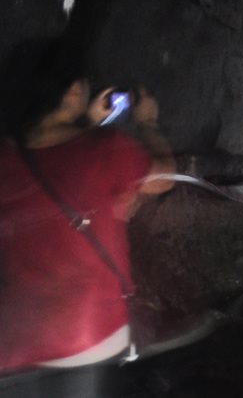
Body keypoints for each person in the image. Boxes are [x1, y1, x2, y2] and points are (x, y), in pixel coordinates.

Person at [0, 40, 175, 396]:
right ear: (75, 90)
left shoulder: (6, 156)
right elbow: (164, 178)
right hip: (87, 336)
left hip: (13, 346)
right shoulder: (106, 148)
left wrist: (87, 122)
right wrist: (149, 123)